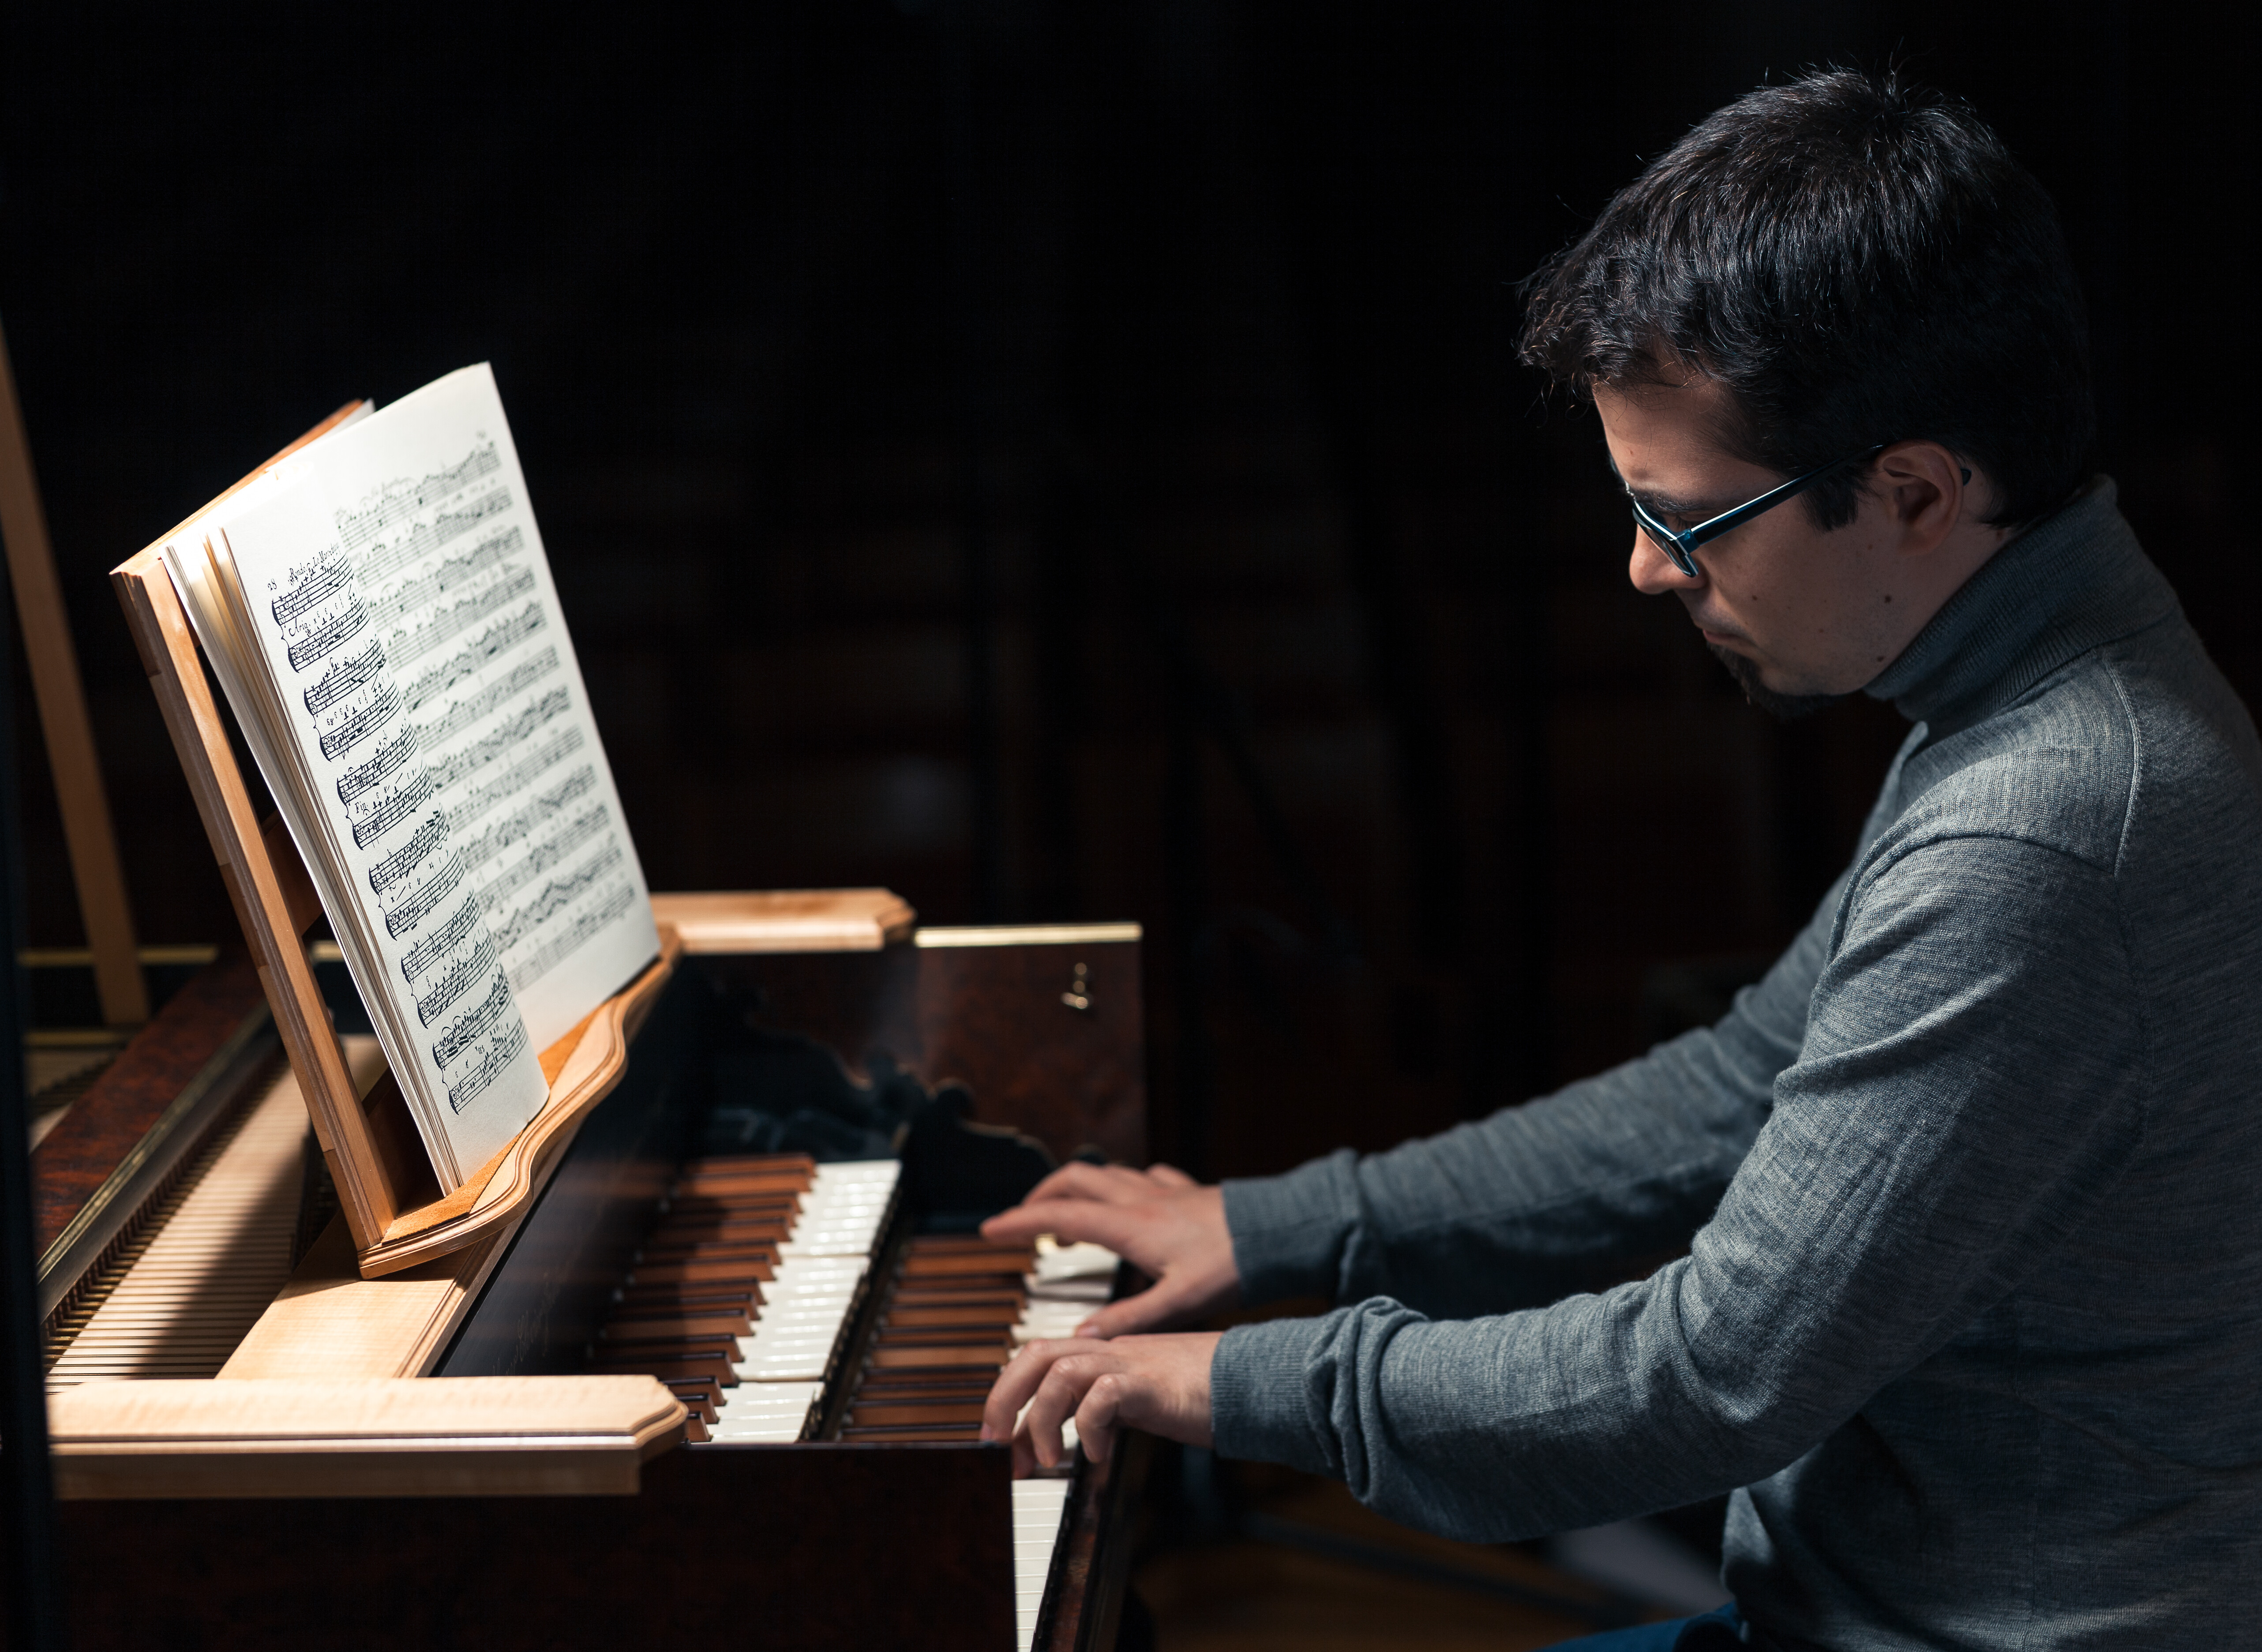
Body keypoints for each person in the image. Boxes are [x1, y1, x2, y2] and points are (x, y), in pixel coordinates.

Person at [978, 69, 2262, 1651]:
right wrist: (1279, 1227)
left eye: (1689, 517)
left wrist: (1247, 1380)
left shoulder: (2045, 828)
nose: (1646, 568)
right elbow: (1738, 1087)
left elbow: (1708, 1377)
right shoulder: (2041, 689)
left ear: (1919, 492)